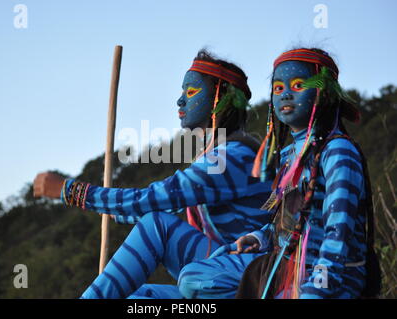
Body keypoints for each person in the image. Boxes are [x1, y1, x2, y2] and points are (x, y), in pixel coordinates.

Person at [33, 49, 272, 299]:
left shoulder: (232, 156)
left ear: (218, 98)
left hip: (241, 271)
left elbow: (159, 198)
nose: (180, 101)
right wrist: (116, 210)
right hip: (218, 263)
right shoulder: (220, 153)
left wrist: (70, 191)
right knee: (141, 297)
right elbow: (160, 203)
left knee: (157, 225)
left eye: (190, 92)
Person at [178, 48, 381, 299]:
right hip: (285, 266)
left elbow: (339, 229)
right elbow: (277, 217)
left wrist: (320, 285)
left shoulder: (338, 151)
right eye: (277, 88)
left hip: (332, 277)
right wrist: (258, 237)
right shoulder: (286, 157)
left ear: (324, 92)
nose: (285, 94)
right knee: (194, 278)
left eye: (297, 85)